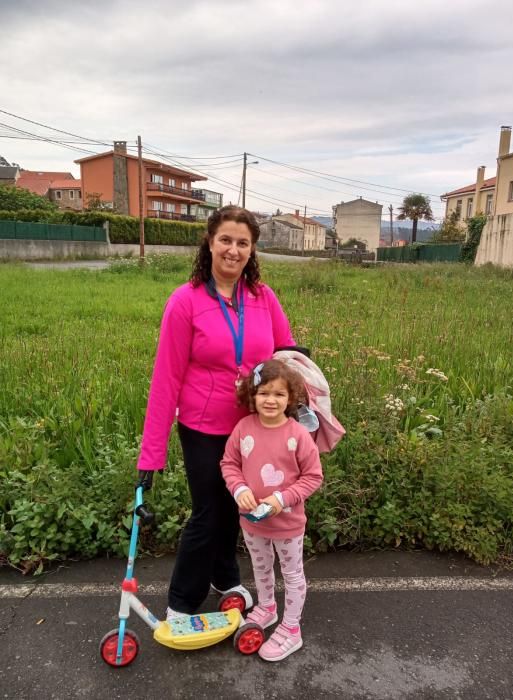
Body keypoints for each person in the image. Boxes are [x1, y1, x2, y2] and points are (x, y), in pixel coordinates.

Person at [136, 205, 295, 621]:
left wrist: (296, 412)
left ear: (252, 250)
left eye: (243, 242)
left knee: (236, 506)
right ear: (209, 243)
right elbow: (165, 380)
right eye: (225, 239)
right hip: (203, 427)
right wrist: (150, 457)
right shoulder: (185, 301)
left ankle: (225, 579)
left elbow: (285, 359)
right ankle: (181, 603)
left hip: (253, 428)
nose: (233, 249)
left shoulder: (264, 298)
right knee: (209, 511)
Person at [220, 359, 324, 661]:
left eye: (279, 394)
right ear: (252, 395)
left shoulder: (298, 435)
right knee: (261, 567)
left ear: (290, 398)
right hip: (252, 523)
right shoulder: (243, 428)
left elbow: (313, 476)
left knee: (292, 574)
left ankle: (292, 628)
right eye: (264, 393)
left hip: (288, 524)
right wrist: (239, 489)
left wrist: (283, 498)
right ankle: (266, 608)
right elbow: (229, 464)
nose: (271, 400)